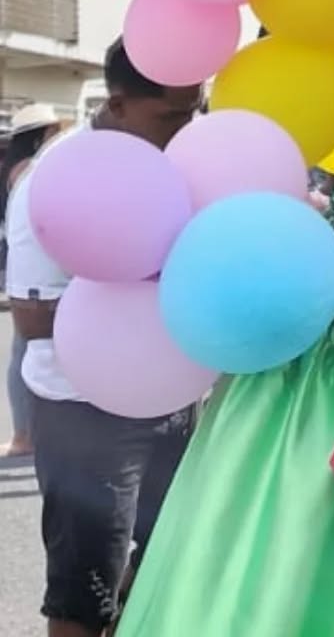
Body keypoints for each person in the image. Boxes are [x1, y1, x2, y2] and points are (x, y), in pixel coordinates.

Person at [6, 39, 202, 637]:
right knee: (84, 589)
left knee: (172, 559)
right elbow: (30, 317)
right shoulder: (57, 178)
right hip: (84, 414)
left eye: (194, 112)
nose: (185, 129)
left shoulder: (181, 159)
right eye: (170, 116)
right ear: (117, 105)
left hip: (173, 400)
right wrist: (140, 292)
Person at [1, 102, 64, 458]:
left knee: (24, 349)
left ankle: (24, 434)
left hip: (20, 269)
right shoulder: (31, 170)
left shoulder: (16, 167)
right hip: (35, 274)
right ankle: (24, 435)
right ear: (43, 133)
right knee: (29, 350)